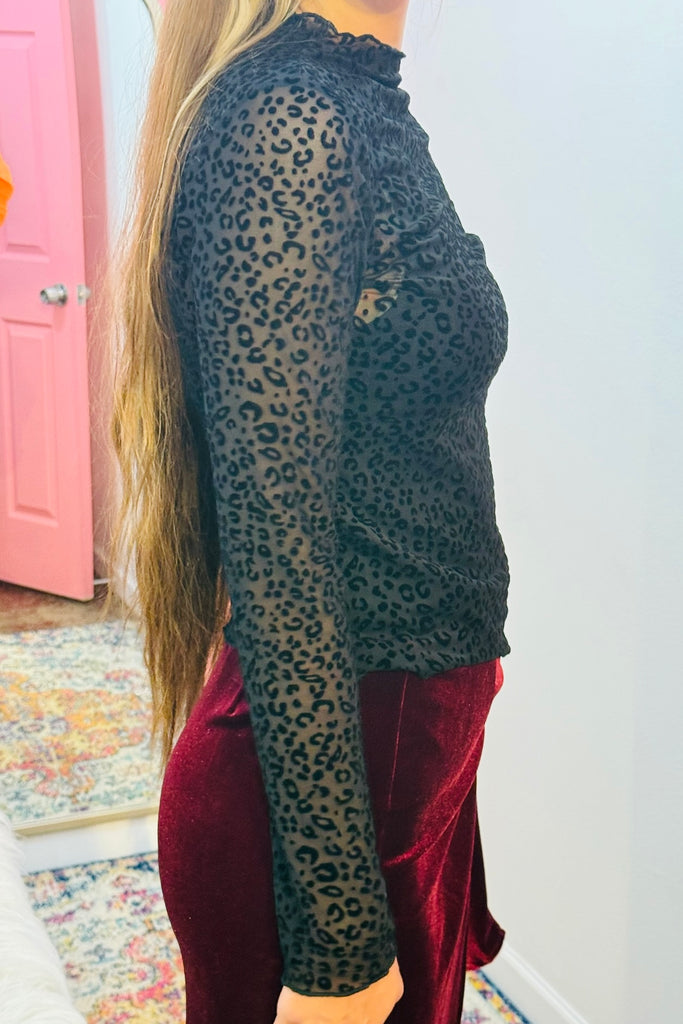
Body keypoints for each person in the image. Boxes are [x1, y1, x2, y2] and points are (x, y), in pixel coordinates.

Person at [106, 2, 511, 1022]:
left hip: (395, 769)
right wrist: (338, 946)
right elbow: (277, 546)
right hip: (328, 826)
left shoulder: (356, 98)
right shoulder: (292, 117)